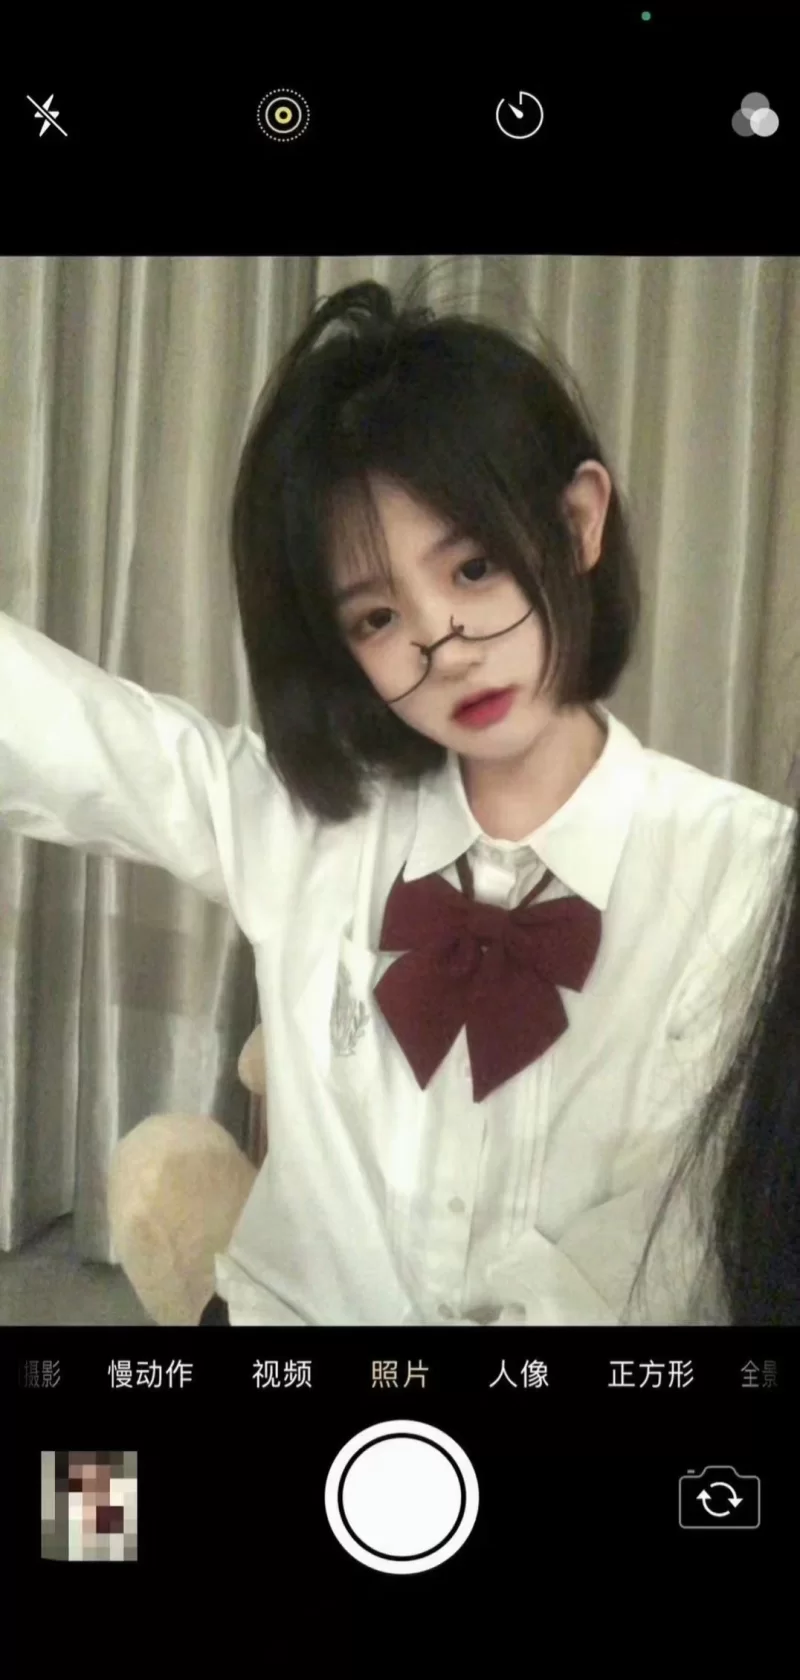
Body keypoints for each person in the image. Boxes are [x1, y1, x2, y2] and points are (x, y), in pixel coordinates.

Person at [1, 276, 793, 1328]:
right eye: (376, 617)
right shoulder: (303, 824)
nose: (442, 645)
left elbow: (671, 1245)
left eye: (473, 567)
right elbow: (76, 738)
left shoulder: (748, 875)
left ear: (577, 522)